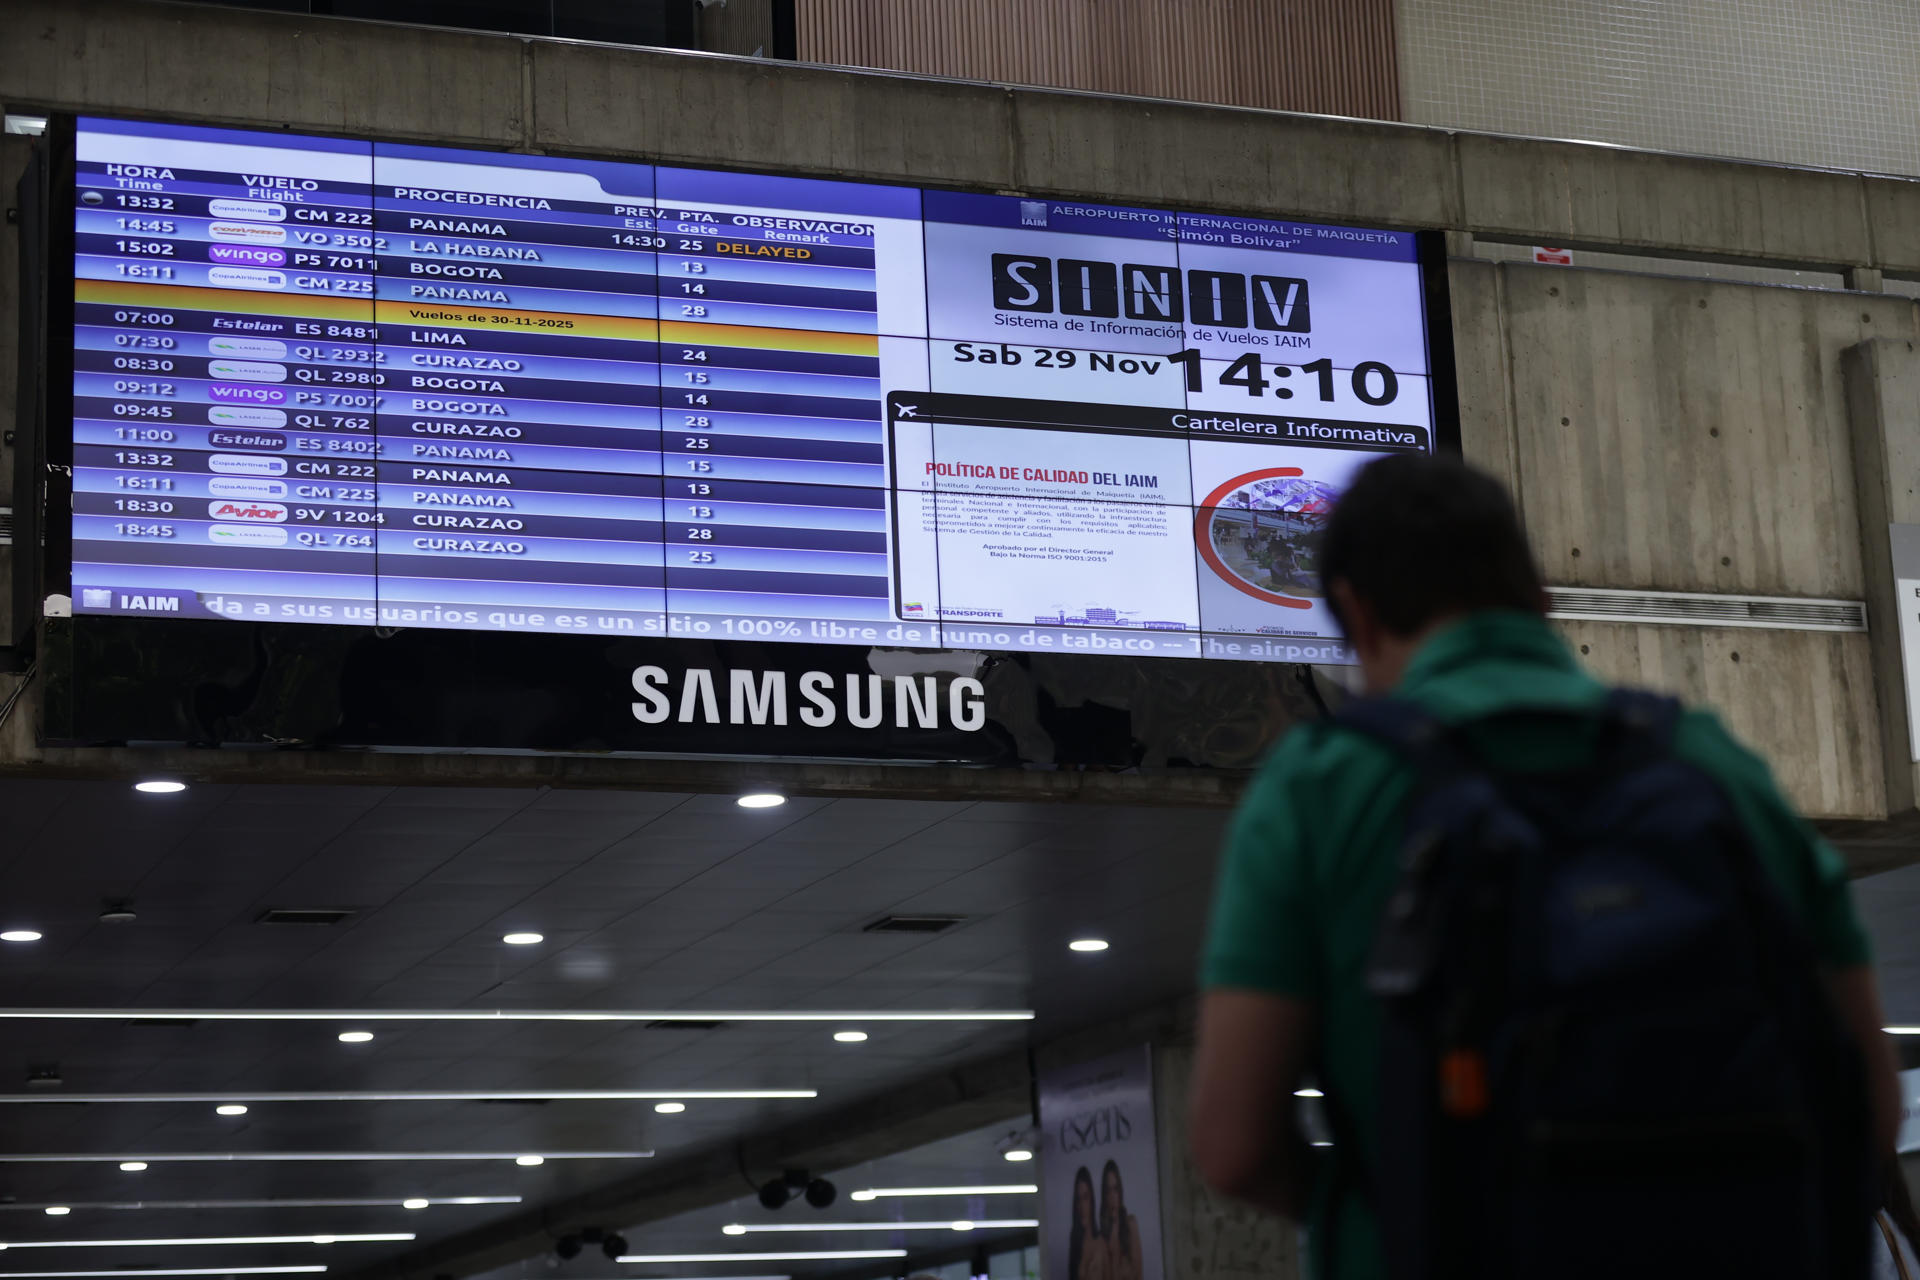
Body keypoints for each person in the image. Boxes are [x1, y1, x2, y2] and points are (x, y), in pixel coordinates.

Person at [1186, 451, 1901, 1280]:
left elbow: (1232, 1147)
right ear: (1538, 600)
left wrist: (1387, 1214)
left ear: (1358, 613)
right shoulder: (1713, 767)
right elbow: (1868, 1104)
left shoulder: (1322, 787)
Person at [1098, 1160, 1143, 1280]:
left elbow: (1139, 1274)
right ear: (1104, 1195)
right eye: (1108, 1191)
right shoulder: (1102, 1239)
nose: (1112, 1196)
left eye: (1115, 1189)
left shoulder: (1131, 1224)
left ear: (1120, 1191)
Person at [1067, 1166, 1108, 1280]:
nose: (1082, 1206)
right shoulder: (1075, 1243)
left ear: (1092, 1201)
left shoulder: (1101, 1244)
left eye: (1085, 1197)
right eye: (1078, 1199)